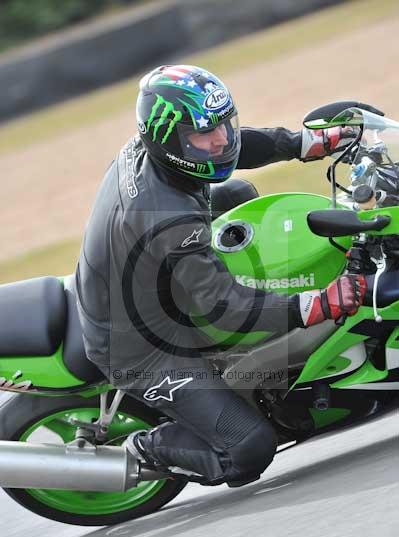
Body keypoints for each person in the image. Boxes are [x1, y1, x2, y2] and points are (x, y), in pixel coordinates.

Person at [75, 64, 374, 487]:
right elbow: (226, 308)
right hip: (140, 344)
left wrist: (304, 143)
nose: (221, 140)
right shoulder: (168, 218)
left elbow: (233, 147)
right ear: (169, 139)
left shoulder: (161, 147)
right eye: (204, 134)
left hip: (141, 277)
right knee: (249, 447)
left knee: (240, 195)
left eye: (223, 124)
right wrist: (319, 302)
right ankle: (145, 448)